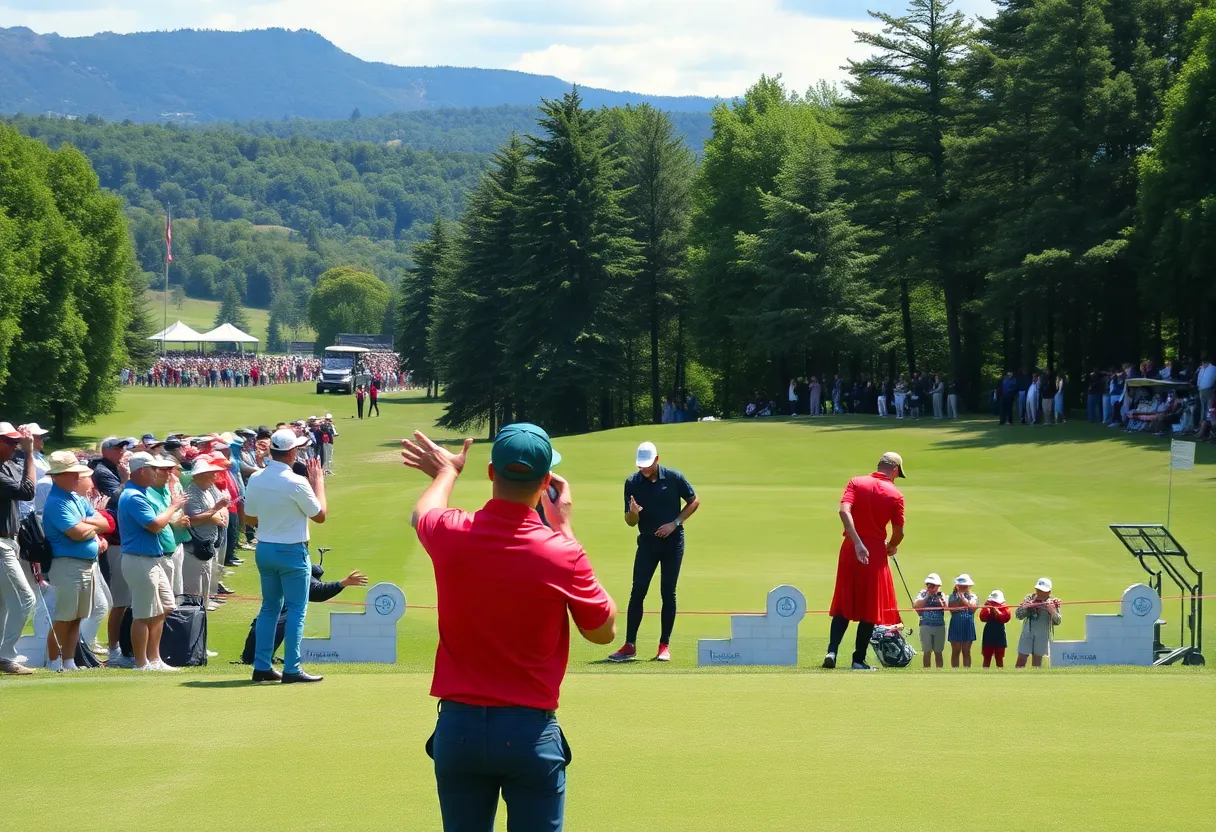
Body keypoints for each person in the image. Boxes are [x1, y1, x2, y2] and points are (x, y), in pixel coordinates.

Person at [402, 423, 616, 832]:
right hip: (529, 734)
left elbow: (422, 514)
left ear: (491, 473)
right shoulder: (562, 552)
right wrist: (565, 528)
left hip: (458, 731)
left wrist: (447, 471)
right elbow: (602, 630)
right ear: (547, 482)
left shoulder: (451, 531)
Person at [243, 428, 327, 684]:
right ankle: (292, 668)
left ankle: (262, 666)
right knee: (295, 610)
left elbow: (250, 517)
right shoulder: (297, 481)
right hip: (291, 551)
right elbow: (320, 515)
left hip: (265, 549)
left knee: (269, 607)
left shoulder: (256, 478)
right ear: (291, 452)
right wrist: (318, 482)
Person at [608, 441, 700, 663]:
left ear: (657, 460)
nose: (643, 469)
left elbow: (694, 501)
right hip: (647, 543)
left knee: (668, 592)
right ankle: (630, 645)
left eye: (647, 465)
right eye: (640, 466)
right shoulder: (632, 483)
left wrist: (675, 523)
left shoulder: (674, 478)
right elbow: (630, 522)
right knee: (637, 591)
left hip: (673, 542)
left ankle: (664, 645)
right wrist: (633, 514)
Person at [824, 452, 906, 671]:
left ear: (879, 465)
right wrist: (891, 546)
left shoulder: (856, 482)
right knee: (870, 607)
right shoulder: (896, 494)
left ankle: (832, 651)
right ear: (895, 470)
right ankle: (858, 660)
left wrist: (857, 541)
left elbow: (844, 511)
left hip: (851, 547)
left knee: (844, 599)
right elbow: (899, 532)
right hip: (876, 552)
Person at [42, 452, 112, 672]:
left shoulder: (76, 498)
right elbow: (76, 533)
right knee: (64, 616)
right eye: (72, 474)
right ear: (58, 476)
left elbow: (106, 522)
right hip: (67, 564)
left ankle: (69, 661)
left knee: (77, 617)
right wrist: (92, 530)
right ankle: (54, 662)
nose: (77, 477)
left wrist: (88, 524)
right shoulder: (56, 502)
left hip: (85, 563)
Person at [116, 452, 186, 671]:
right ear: (142, 471)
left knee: (164, 606)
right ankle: (141, 662)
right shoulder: (134, 496)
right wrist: (174, 506)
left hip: (150, 559)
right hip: (139, 559)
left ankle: (154, 659)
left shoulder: (142, 493)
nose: (158, 473)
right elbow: (155, 525)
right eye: (154, 469)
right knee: (143, 613)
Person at [0, 423, 36, 675]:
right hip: (0, 543)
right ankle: (5, 655)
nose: (15, 446)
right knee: (25, 598)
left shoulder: (9, 464)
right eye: (9, 442)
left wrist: (26, 451)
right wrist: (30, 454)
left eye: (16, 442)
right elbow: (27, 491)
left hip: (10, 541)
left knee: (3, 603)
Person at [183, 457, 230, 604]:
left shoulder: (207, 489)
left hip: (209, 540)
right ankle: (197, 607)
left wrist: (219, 512)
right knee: (196, 581)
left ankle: (205, 603)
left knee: (207, 576)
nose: (214, 476)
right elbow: (193, 519)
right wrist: (215, 511)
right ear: (201, 475)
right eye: (210, 474)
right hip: (198, 544)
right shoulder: (191, 493)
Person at [1015, 577, 1061, 668]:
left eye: (1043, 591)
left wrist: (1052, 611)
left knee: (1037, 662)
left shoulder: (1052, 603)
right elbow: (1018, 615)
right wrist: (1028, 607)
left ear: (1049, 592)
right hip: (1027, 632)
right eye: (1038, 590)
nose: (1040, 593)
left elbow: (1058, 621)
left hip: (1042, 634)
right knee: (1022, 658)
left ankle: (1034, 681)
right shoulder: (1028, 599)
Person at [912, 572, 946, 668]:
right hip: (925, 625)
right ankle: (926, 672)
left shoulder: (941, 595)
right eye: (928, 584)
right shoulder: (922, 594)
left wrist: (938, 598)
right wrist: (927, 597)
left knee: (938, 652)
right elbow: (916, 606)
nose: (930, 587)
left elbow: (946, 607)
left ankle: (939, 672)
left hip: (939, 626)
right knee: (927, 651)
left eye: (933, 585)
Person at [947, 574, 978, 667]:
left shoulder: (973, 596)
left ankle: (967, 671)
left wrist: (963, 598)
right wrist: (959, 597)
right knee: (955, 650)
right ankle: (955, 671)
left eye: (965, 585)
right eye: (961, 585)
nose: (964, 587)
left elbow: (972, 608)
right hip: (956, 624)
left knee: (966, 651)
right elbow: (951, 608)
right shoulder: (952, 596)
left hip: (968, 624)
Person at [979, 590, 1011, 668]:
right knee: (987, 657)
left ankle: (1000, 675)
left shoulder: (1005, 608)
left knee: (999, 657)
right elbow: (982, 617)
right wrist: (988, 609)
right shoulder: (987, 607)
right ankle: (984, 674)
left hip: (1000, 633)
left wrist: (996, 610)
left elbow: (1005, 618)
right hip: (988, 633)